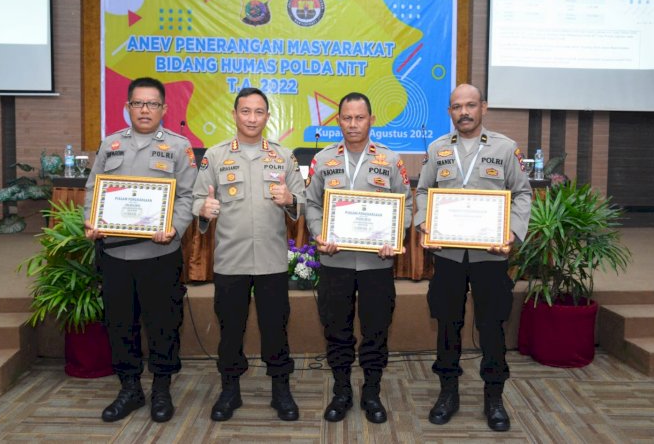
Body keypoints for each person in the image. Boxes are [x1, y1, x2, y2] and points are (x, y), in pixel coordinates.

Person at [414, 83, 532, 432]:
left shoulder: (506, 148)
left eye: (470, 105)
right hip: (448, 255)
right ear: (449, 112)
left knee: (492, 327)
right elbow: (422, 191)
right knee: (447, 325)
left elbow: (522, 194)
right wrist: (424, 224)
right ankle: (447, 392)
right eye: (456, 107)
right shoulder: (437, 149)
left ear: (484, 107)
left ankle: (494, 397)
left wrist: (512, 232)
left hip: (490, 257)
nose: (463, 112)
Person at [84, 77, 197, 423]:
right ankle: (129, 388)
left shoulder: (179, 148)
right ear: (128, 107)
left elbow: (188, 197)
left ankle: (161, 389)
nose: (144, 109)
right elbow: (92, 190)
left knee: (163, 324)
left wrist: (175, 227)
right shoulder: (111, 144)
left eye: (151, 104)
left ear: (164, 109)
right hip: (116, 256)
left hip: (159, 256)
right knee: (121, 324)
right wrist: (92, 220)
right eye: (138, 103)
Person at [191, 87, 305, 422]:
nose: (252, 118)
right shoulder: (215, 155)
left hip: (271, 261)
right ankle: (229, 389)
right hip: (231, 260)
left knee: (275, 328)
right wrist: (204, 208)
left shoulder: (284, 157)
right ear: (234, 114)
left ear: (268, 117)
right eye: (245, 111)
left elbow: (303, 201)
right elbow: (197, 198)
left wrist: (290, 201)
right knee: (231, 329)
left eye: (259, 112)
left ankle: (281, 389)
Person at [305, 92, 412, 424]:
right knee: (336, 330)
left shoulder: (391, 161)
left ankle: (372, 392)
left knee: (376, 330)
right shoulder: (323, 161)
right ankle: (341, 391)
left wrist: (394, 237)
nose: (353, 124)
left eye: (359, 118)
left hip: (376, 265)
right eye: (347, 118)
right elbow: (312, 205)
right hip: (335, 263)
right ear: (338, 120)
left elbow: (405, 205)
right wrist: (319, 234)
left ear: (371, 120)